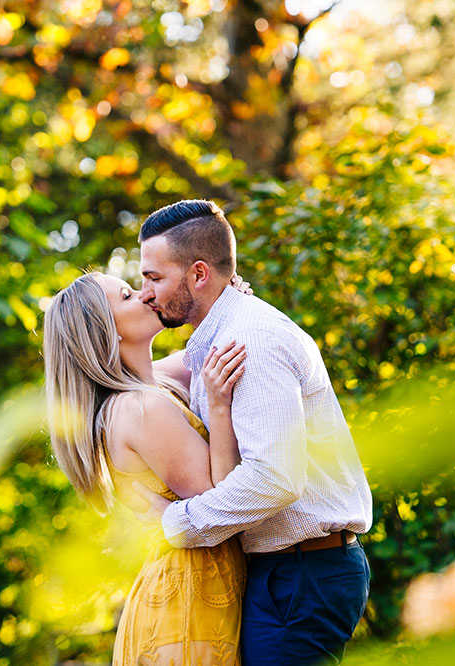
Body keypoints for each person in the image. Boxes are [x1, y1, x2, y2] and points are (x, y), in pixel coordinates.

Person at [135, 199, 374, 666]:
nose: (145, 292)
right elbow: (143, 378)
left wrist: (173, 524)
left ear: (199, 274)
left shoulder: (251, 341)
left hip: (301, 574)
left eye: (154, 278)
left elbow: (275, 478)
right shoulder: (216, 336)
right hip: (287, 571)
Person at [43, 270, 254, 665]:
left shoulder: (150, 387)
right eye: (126, 295)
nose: (144, 295)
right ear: (108, 333)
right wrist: (219, 407)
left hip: (193, 592)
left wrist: (222, 297)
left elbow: (203, 352)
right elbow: (223, 497)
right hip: (187, 606)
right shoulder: (141, 408)